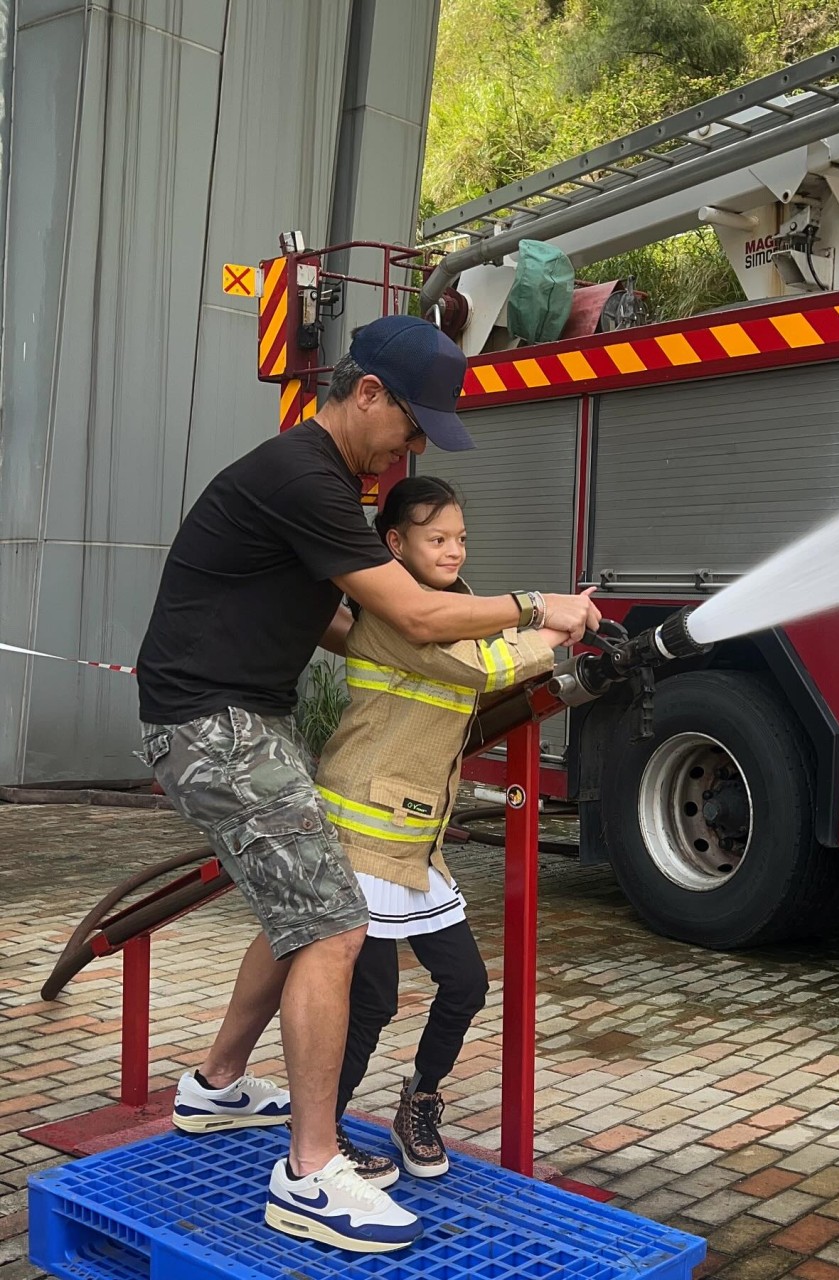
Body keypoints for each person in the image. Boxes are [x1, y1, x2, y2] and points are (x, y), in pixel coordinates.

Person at [135, 313, 600, 1254]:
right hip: (210, 727)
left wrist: (399, 641)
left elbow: (338, 622)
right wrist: (535, 608)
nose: (416, 446)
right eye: (414, 424)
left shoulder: (322, 482)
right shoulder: (305, 475)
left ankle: (217, 1088)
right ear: (369, 393)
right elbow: (419, 617)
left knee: (301, 909)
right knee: (339, 922)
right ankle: (309, 1174)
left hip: (230, 720)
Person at [313, 476, 569, 1187]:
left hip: (413, 844)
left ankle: (418, 1102)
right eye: (437, 538)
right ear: (395, 545)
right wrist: (553, 622)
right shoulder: (399, 614)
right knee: (372, 1002)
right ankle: (321, 1133)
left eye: (460, 538)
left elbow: (487, 655)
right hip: (362, 840)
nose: (454, 549)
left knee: (464, 984)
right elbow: (483, 667)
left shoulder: (451, 609)